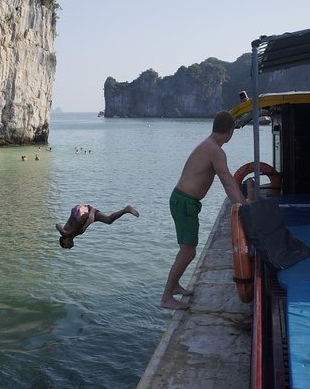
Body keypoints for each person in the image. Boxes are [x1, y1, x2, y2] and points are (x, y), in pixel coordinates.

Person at [160, 111, 246, 310]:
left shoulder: (209, 146)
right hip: (184, 203)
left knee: (187, 249)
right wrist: (242, 207)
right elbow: (227, 183)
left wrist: (243, 203)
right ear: (230, 132)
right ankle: (166, 297)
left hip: (184, 202)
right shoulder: (215, 150)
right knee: (188, 251)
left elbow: (229, 180)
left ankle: (174, 287)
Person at [56, 204, 139, 249]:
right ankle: (126, 209)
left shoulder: (64, 233)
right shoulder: (80, 232)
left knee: (79, 220)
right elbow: (88, 221)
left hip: (78, 210)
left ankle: (91, 212)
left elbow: (57, 225)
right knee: (108, 220)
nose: (69, 248)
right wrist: (91, 219)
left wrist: (63, 231)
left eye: (66, 247)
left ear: (64, 241)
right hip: (86, 213)